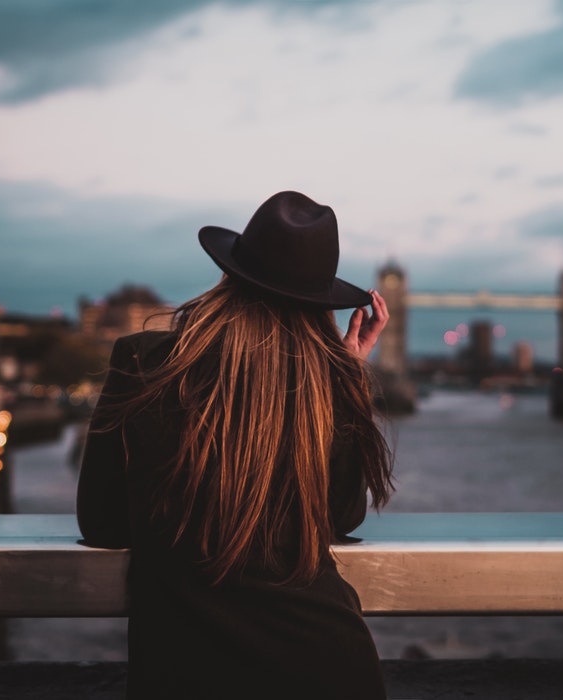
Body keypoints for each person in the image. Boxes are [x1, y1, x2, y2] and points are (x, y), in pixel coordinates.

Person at [77, 190, 395, 699]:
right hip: (330, 668)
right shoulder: (326, 384)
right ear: (321, 308)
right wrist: (349, 372)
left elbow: (102, 522)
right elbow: (340, 516)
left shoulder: (143, 362)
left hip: (186, 675)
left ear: (228, 276)